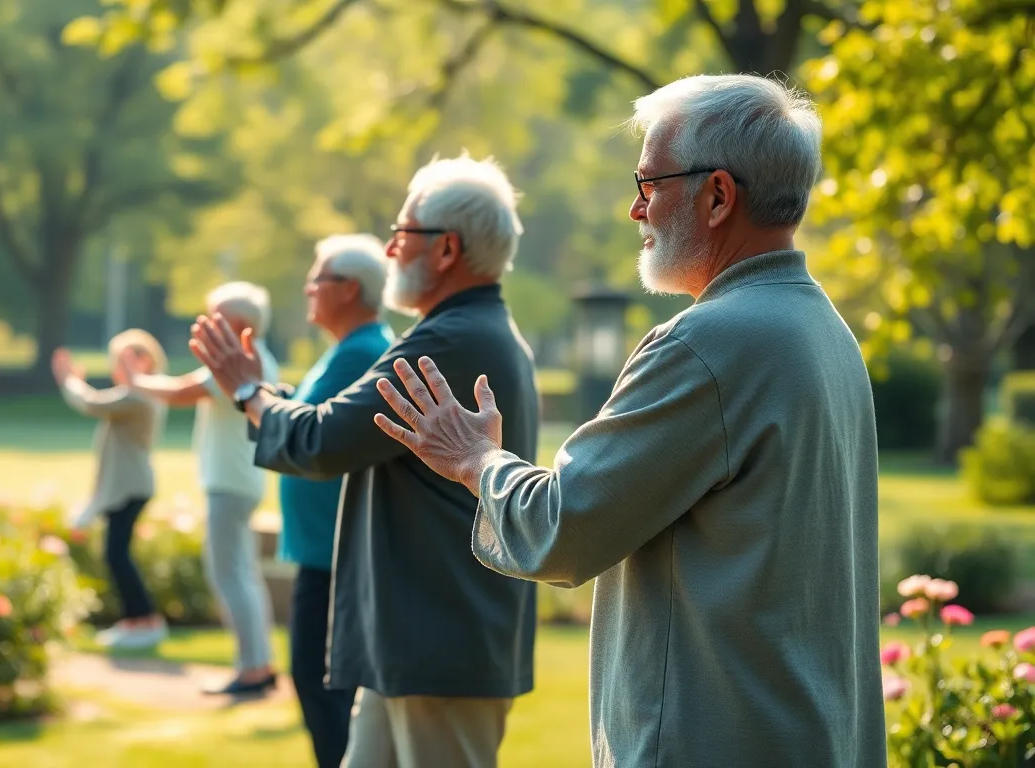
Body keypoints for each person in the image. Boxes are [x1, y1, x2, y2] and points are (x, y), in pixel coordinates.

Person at [371, 74, 886, 768]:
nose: (634, 210)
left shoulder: (708, 344)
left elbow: (564, 529)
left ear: (717, 196)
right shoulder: (824, 330)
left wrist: (475, 459)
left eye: (648, 184)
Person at [188, 155, 540, 768]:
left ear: (447, 249)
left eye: (402, 234)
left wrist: (249, 391)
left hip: (438, 642)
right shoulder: (469, 329)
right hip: (415, 642)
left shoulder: (448, 341)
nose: (390, 249)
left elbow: (323, 439)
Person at [122, 282, 281, 695]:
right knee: (243, 577)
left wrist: (137, 379)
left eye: (217, 317)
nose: (207, 325)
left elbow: (178, 393)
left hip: (229, 483)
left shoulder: (238, 362)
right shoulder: (256, 359)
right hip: (242, 480)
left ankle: (252, 670)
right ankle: (258, 664)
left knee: (229, 577)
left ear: (241, 324)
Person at [279, 234, 393, 767]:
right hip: (322, 551)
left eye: (317, 277)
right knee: (317, 686)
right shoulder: (345, 350)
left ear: (349, 289)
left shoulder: (365, 353)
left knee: (324, 689)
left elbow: (321, 438)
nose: (308, 286)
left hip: (335, 556)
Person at [52, 331, 169, 651]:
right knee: (116, 553)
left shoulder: (140, 396)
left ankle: (145, 619)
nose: (118, 368)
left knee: (117, 554)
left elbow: (91, 403)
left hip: (130, 485)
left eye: (125, 360)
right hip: (127, 484)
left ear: (144, 360)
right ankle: (136, 620)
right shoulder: (140, 393)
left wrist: (68, 381)